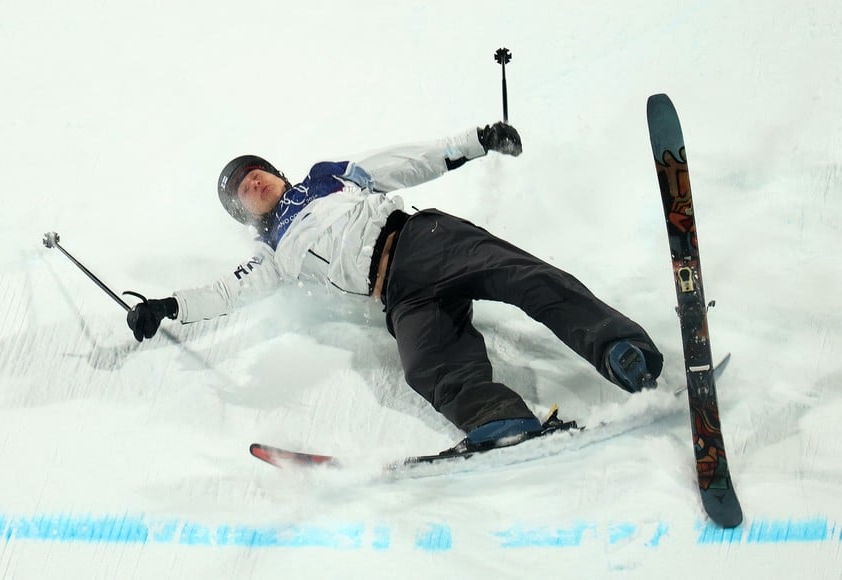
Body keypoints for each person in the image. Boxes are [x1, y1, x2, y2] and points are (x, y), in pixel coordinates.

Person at [127, 122, 663, 449]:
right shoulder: (271, 254)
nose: (254, 181)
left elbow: (405, 162)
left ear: (276, 172)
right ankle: (502, 422)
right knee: (427, 366)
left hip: (423, 238)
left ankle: (622, 351)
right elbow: (226, 292)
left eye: (256, 171)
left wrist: (476, 141)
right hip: (396, 294)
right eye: (244, 189)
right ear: (244, 213)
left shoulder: (324, 177)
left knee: (526, 279)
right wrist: (167, 306)